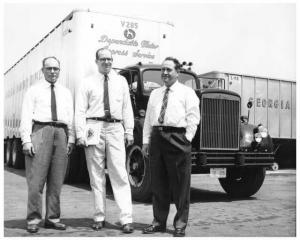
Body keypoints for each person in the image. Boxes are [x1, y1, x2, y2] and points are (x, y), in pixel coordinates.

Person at [75, 48, 134, 234]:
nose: (106, 62)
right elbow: (80, 110)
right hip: (93, 126)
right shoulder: (87, 82)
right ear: (96, 61)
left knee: (119, 173)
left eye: (109, 59)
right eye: (103, 59)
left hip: (116, 127)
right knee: (96, 174)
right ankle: (99, 216)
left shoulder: (121, 81)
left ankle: (126, 219)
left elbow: (127, 108)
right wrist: (79, 134)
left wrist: (129, 131)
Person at [142, 57, 200, 237]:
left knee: (180, 185)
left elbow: (194, 118)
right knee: (158, 184)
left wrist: (187, 139)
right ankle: (159, 222)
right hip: (157, 138)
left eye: (169, 70)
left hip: (178, 138)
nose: (165, 73)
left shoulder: (187, 92)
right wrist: (146, 141)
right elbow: (148, 120)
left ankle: (180, 225)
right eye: (163, 70)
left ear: (178, 72)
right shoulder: (155, 93)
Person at [19, 56, 75, 233]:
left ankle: (52, 218)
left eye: (56, 69)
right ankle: (33, 219)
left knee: (57, 179)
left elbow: (71, 117)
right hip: (40, 131)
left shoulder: (66, 92)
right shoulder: (33, 91)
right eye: (49, 68)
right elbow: (26, 116)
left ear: (59, 71)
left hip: (61, 133)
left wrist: (71, 138)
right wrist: (26, 140)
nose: (53, 72)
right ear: (42, 70)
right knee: (36, 179)